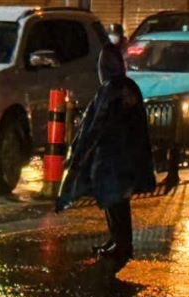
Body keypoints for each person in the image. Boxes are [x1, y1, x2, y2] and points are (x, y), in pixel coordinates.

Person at [57, 45, 155, 266]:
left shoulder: (110, 90)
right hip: (128, 154)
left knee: (114, 200)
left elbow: (97, 124)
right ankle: (118, 241)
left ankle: (121, 244)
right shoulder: (130, 87)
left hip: (111, 156)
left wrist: (82, 151)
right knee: (118, 200)